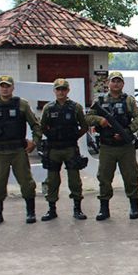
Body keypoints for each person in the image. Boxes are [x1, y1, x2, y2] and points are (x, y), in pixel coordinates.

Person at [0, 75, 41, 225]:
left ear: (13, 88)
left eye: (8, 86)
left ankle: (31, 212)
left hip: (18, 151)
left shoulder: (22, 104)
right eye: (2, 86)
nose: (5, 89)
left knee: (27, 183)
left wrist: (34, 142)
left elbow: (36, 125)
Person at [85, 71, 138, 221]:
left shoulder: (129, 100)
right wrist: (100, 120)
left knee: (131, 176)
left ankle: (134, 206)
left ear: (122, 84)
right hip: (107, 146)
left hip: (125, 146)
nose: (116, 84)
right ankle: (104, 208)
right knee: (104, 177)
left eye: (119, 81)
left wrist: (128, 131)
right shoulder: (100, 101)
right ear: (108, 83)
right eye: (113, 81)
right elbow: (88, 117)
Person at [39, 78, 89, 221]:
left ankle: (77, 208)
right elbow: (42, 126)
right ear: (54, 91)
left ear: (67, 91)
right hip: (53, 149)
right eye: (58, 89)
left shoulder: (75, 107)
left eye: (63, 89)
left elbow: (84, 126)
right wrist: (51, 137)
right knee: (52, 180)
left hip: (70, 148)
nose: (61, 92)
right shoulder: (48, 108)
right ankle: (51, 209)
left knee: (74, 180)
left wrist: (74, 137)